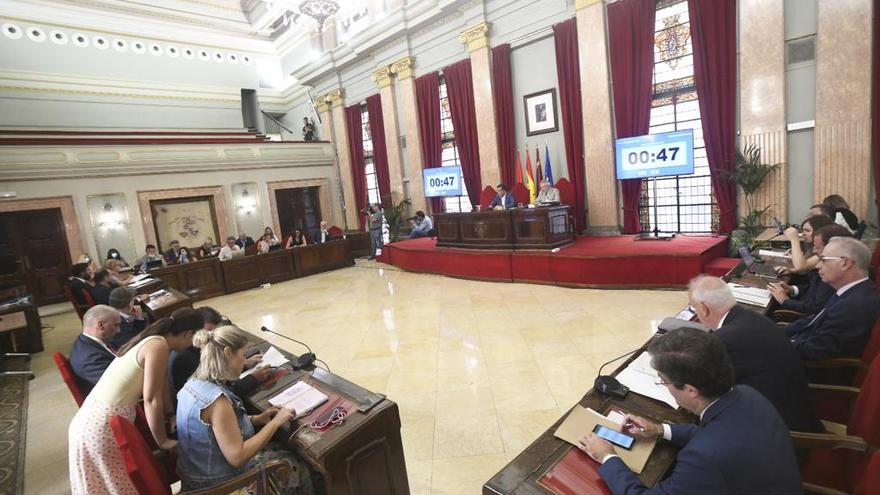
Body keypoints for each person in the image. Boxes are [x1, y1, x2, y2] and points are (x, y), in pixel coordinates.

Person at [578, 328, 801, 494]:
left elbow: (713, 446)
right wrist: (660, 430)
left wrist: (607, 457)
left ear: (691, 390)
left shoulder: (703, 458)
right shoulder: (747, 394)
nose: (664, 386)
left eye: (663, 381)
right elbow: (716, 434)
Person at [68, 308, 203, 494]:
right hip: (100, 426)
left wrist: (171, 414)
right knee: (118, 485)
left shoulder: (156, 341)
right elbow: (151, 399)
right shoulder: (158, 346)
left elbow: (161, 384)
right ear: (189, 334)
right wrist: (162, 441)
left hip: (94, 419)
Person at [176, 325, 317, 493]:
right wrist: (276, 422)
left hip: (197, 475)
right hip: (218, 486)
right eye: (242, 356)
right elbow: (237, 457)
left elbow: (216, 430)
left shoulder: (192, 384)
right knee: (296, 463)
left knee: (278, 447)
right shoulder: (217, 402)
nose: (244, 362)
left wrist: (257, 419)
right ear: (228, 353)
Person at [687, 275, 823, 433]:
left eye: (694, 309)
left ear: (703, 309)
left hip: (782, 436)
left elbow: (705, 390)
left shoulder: (726, 339)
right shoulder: (754, 317)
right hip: (796, 411)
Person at [785, 237, 880, 379]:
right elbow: (815, 320)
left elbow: (817, 350)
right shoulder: (854, 290)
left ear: (845, 263)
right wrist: (773, 331)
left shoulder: (854, 306)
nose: (817, 265)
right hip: (802, 347)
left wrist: (775, 343)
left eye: (824, 259)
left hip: (813, 374)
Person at [169, 306, 268, 403]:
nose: (214, 338)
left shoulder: (200, 348)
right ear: (195, 331)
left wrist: (243, 364)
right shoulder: (185, 358)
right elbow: (218, 395)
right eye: (209, 332)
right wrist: (253, 378)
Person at [768, 224, 851, 315]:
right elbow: (813, 288)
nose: (814, 251)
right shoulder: (828, 266)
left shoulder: (833, 274)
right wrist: (792, 289)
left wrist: (785, 300)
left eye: (818, 247)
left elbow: (815, 309)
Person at [69, 305, 120, 394]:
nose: (118, 330)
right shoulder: (91, 358)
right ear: (101, 325)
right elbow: (118, 386)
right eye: (116, 325)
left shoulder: (88, 341)